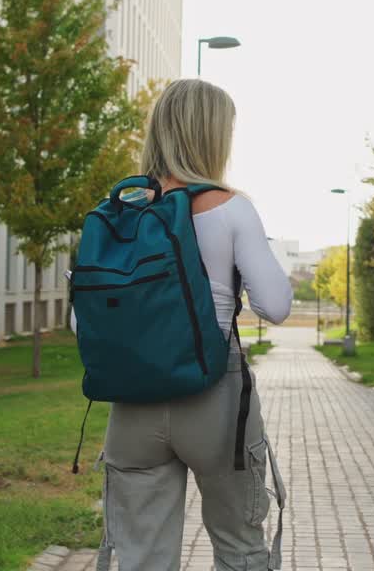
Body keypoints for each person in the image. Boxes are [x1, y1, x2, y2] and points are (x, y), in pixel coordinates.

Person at [95, 79, 292, 570]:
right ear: (213, 136)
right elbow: (276, 306)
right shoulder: (231, 209)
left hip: (134, 401)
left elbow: (86, 320)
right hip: (213, 397)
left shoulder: (121, 213)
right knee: (240, 549)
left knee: (140, 555)